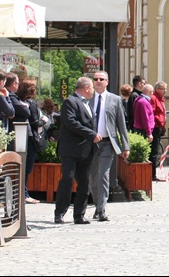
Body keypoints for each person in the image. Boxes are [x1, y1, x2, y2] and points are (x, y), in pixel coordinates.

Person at [54, 76, 101, 225]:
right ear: (86, 88)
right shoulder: (70, 101)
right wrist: (91, 134)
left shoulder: (88, 103)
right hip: (71, 149)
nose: (93, 91)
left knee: (84, 182)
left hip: (86, 149)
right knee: (67, 179)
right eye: (92, 87)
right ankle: (60, 212)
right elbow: (71, 122)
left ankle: (79, 215)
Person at [88, 71, 130, 222]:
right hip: (90, 144)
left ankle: (101, 210)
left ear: (107, 82)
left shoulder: (115, 100)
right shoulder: (87, 98)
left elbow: (121, 124)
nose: (98, 81)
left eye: (101, 79)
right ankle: (97, 204)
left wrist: (126, 146)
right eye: (96, 79)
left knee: (103, 176)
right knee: (92, 178)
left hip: (107, 143)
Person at [14, 78, 42, 203]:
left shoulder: (16, 100)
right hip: (29, 137)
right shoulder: (29, 104)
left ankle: (22, 193)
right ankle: (24, 194)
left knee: (22, 167)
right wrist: (45, 122)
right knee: (26, 167)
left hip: (20, 136)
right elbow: (35, 122)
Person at [150, 81, 168, 181]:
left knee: (155, 151)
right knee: (154, 151)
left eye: (166, 88)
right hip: (155, 127)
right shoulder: (154, 98)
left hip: (159, 127)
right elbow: (151, 113)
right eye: (163, 88)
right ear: (157, 89)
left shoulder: (160, 99)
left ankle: (153, 174)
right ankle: (152, 175)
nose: (165, 91)